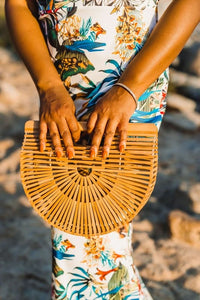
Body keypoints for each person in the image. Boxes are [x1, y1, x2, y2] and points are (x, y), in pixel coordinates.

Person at [5, 0, 200, 299]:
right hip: (65, 93)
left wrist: (129, 89)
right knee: (85, 236)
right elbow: (18, 4)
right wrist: (49, 87)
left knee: (94, 232)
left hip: (135, 87)